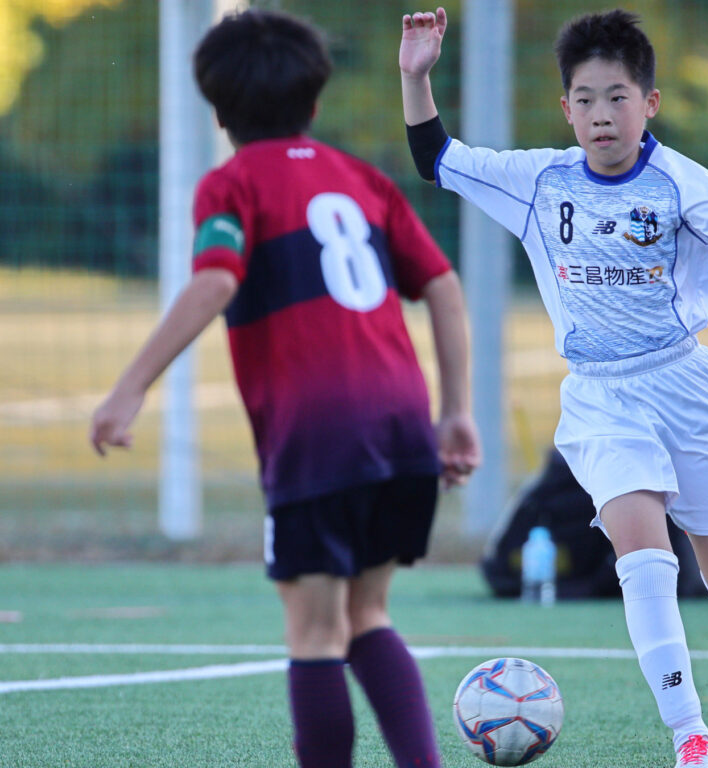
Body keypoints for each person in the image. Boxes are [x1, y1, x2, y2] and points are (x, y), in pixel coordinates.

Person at [400, 8, 708, 767]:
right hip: (601, 399)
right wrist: (416, 75)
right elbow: (435, 156)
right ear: (566, 108)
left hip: (687, 392)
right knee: (641, 555)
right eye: (586, 99)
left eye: (617, 97)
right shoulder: (541, 182)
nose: (601, 114)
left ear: (650, 103)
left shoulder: (680, 183)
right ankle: (690, 734)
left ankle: (706, 521)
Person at [89, 9, 481, 768]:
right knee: (369, 616)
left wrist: (130, 388)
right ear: (315, 100)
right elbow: (441, 283)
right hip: (402, 425)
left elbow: (215, 280)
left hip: (315, 435)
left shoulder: (231, 184)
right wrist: (457, 411)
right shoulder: (364, 180)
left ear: (217, 109)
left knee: (315, 633)